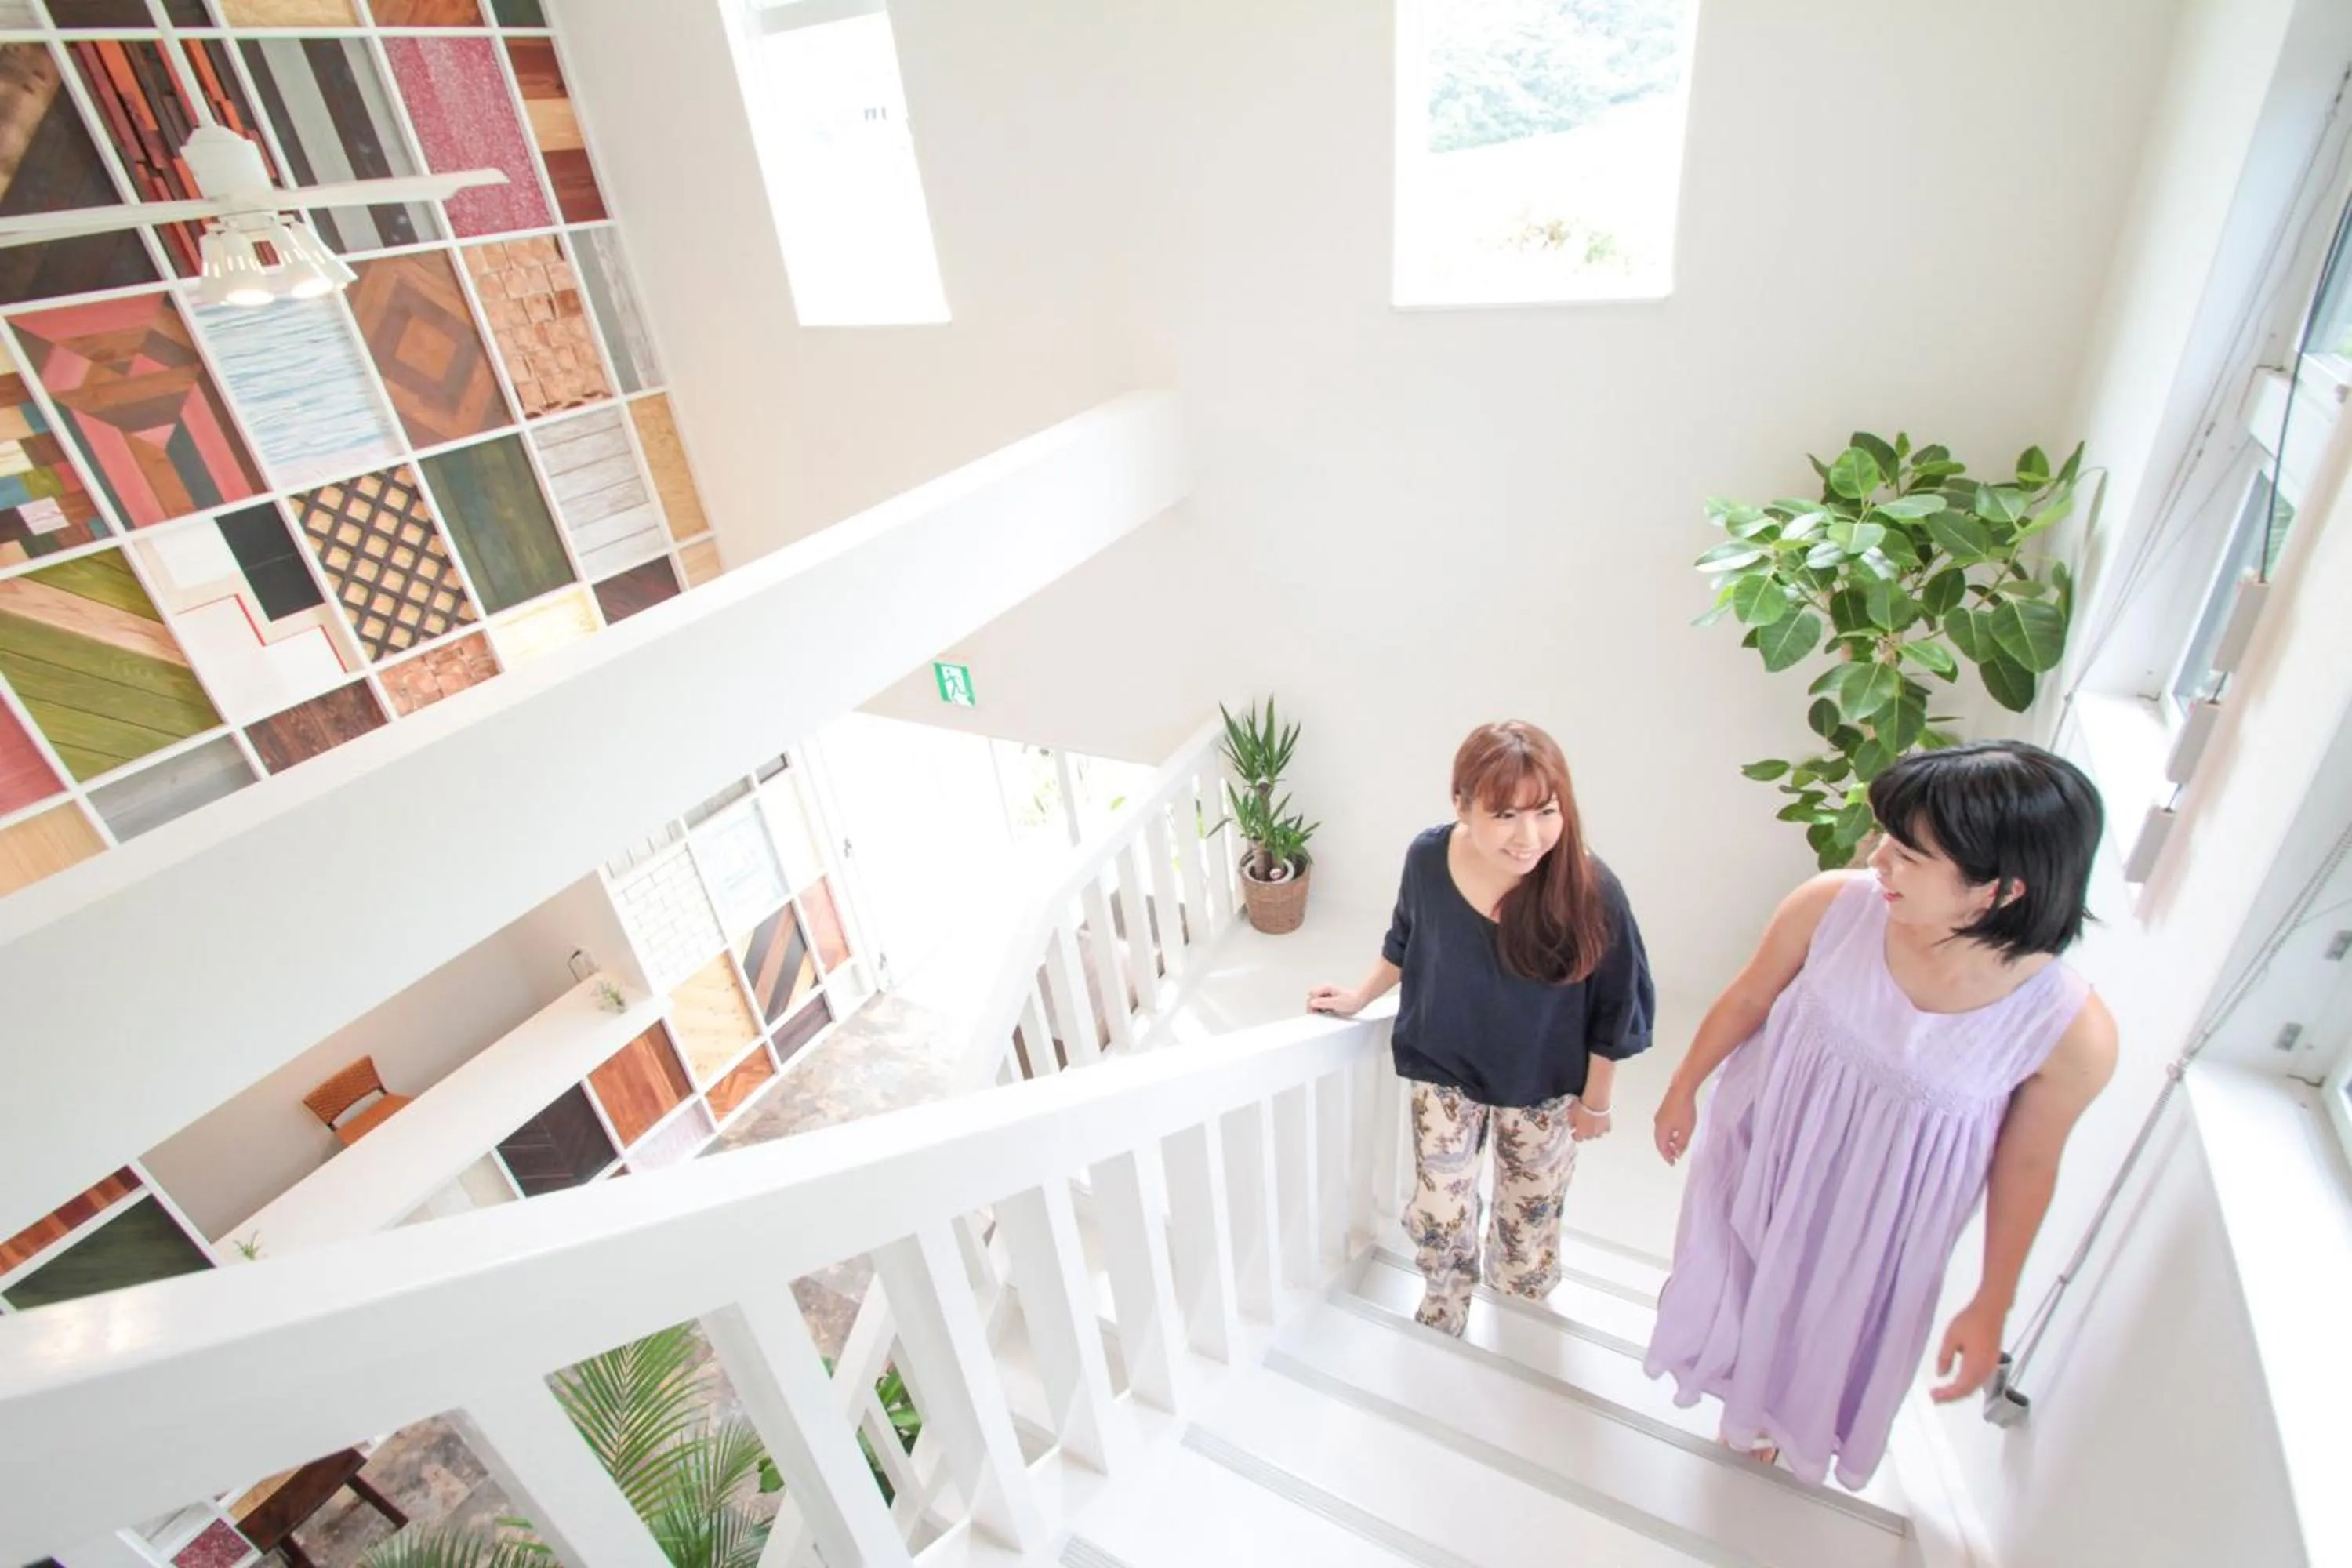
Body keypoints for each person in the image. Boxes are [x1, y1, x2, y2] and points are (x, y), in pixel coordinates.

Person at [1644, 739, 2116, 1487]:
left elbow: (2027, 1165)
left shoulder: (2067, 1032)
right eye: (1887, 840)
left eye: (1908, 855)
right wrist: (1683, 1085)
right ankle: (1737, 1397)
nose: (1879, 862)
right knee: (1742, 1278)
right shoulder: (1835, 905)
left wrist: (1992, 1302)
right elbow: (1749, 996)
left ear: (2000, 891)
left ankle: (1776, 1423)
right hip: (1771, 1156)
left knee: (1824, 1324)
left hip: (1877, 1224)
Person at [1308, 720, 1654, 1335]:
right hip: (1446, 1068)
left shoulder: (1592, 889)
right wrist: (1361, 994)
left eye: (1546, 812)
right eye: (1506, 815)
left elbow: (1616, 1004)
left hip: (1543, 1085)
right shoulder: (1428, 858)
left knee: (1530, 1216)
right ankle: (1446, 1298)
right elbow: (1407, 938)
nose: (1529, 837)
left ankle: (1518, 1301)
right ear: (1461, 805)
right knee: (1440, 1208)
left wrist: (1596, 1103)